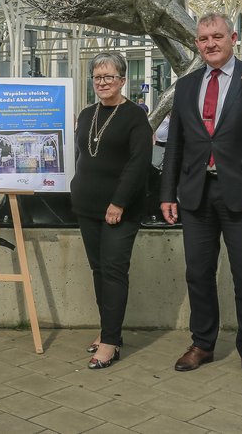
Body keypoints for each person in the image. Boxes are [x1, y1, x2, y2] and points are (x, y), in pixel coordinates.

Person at [159, 13, 242, 387]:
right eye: (203, 39)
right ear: (196, 44)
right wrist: (167, 193)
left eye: (217, 36)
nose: (210, 44)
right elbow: (175, 144)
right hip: (197, 194)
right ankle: (202, 344)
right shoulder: (186, 86)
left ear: (233, 37)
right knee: (198, 273)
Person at [71, 52, 152, 370]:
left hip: (120, 209)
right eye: (97, 77)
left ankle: (110, 342)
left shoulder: (135, 117)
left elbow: (138, 165)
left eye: (109, 77)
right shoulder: (86, 114)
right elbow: (82, 155)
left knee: (114, 271)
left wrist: (118, 202)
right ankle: (108, 330)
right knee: (99, 270)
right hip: (87, 206)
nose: (102, 83)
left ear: (122, 80)